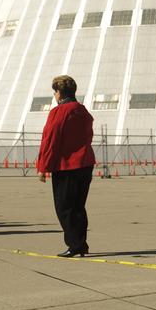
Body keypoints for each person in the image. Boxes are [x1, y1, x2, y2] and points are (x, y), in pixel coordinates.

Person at [36, 75, 96, 257]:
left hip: (66, 166)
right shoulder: (83, 110)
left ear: (59, 92)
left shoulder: (59, 112)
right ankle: (81, 243)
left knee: (64, 207)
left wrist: (43, 166)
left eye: (55, 91)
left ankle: (74, 244)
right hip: (85, 163)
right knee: (78, 206)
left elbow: (50, 140)